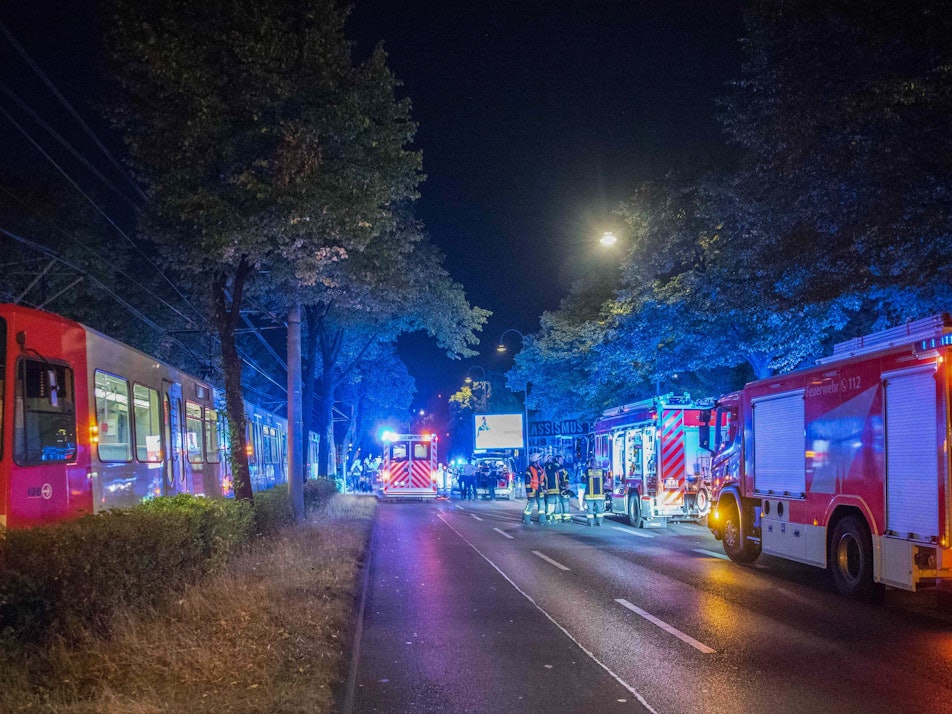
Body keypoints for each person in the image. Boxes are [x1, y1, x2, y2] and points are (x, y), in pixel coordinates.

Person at [523, 453, 546, 524]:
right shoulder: (529, 470)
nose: (539, 461)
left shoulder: (540, 469)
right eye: (538, 460)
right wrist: (528, 491)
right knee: (530, 506)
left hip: (540, 490)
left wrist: (544, 488)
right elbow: (527, 481)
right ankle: (526, 520)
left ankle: (542, 521)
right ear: (535, 461)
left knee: (542, 506)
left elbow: (542, 480)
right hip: (532, 491)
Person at [584, 458, 607, 526]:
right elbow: (605, 480)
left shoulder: (587, 471)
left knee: (590, 509)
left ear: (590, 464)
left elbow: (583, 480)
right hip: (599, 495)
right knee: (599, 509)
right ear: (597, 464)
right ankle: (599, 522)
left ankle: (590, 523)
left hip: (589, 495)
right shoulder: (602, 471)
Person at [542, 454, 562, 523]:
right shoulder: (548, 465)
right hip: (551, 488)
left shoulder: (548, 465)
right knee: (551, 503)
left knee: (553, 503)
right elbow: (556, 467)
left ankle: (550, 516)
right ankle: (549, 517)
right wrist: (556, 461)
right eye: (550, 458)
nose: (552, 459)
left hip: (554, 488)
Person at [555, 454, 572, 522]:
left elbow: (567, 476)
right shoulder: (555, 467)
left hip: (563, 488)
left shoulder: (563, 467)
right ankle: (557, 517)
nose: (562, 461)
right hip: (556, 488)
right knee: (557, 502)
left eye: (562, 460)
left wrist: (566, 483)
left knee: (565, 502)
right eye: (560, 460)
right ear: (557, 460)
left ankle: (566, 518)